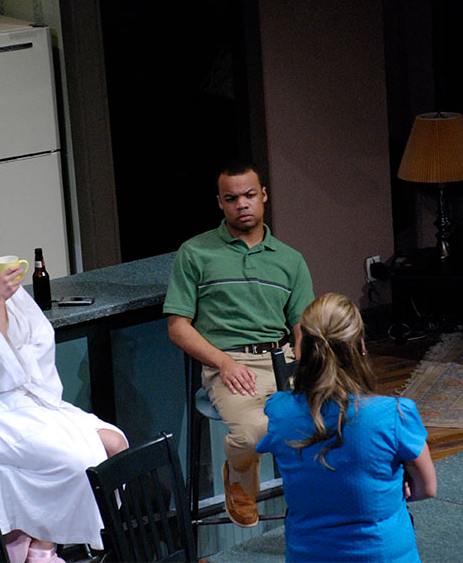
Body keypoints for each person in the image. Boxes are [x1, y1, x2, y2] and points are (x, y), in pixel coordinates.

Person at [0, 203, 128, 563]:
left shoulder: (3, 286)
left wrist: (22, 370)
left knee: (115, 442)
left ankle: (46, 544)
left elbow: (39, 337)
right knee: (80, 459)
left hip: (29, 396)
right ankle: (44, 549)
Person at [163, 161, 315, 527]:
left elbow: (303, 327)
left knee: (327, 421)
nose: (241, 204)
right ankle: (239, 479)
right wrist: (224, 364)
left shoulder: (290, 259)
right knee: (252, 434)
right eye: (232, 199)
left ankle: (321, 503)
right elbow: (178, 327)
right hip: (228, 363)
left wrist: (310, 369)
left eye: (249, 196)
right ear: (220, 203)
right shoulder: (195, 253)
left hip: (284, 359)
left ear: (263, 196)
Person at [257, 293, 436, 562]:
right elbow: (426, 488)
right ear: (361, 347)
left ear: (301, 349)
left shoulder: (278, 411)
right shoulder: (396, 414)